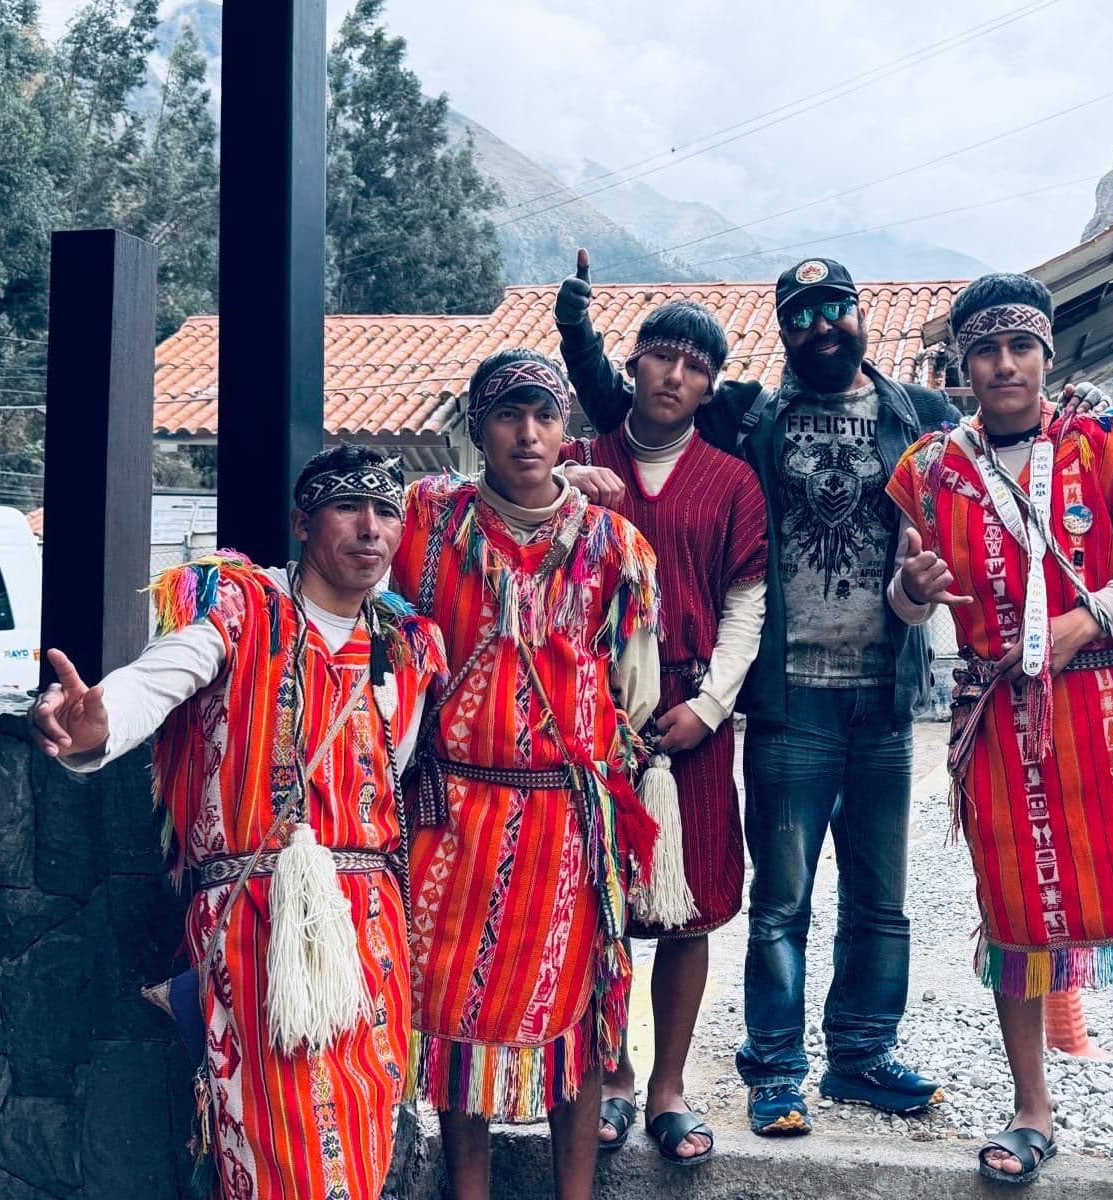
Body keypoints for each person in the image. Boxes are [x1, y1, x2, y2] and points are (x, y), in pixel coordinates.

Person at [558, 250, 955, 1134]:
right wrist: (577, 327)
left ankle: (860, 1055)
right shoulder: (749, 416)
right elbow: (631, 404)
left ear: (859, 315)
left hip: (882, 695)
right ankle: (774, 1070)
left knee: (880, 896)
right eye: (802, 316)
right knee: (780, 902)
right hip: (786, 699)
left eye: (835, 309)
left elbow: (1007, 438)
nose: (822, 327)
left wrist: (1088, 406)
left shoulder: (916, 413)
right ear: (782, 337)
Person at [28, 446, 445, 1200]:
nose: (371, 528)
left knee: (365, 1134)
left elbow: (392, 772)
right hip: (257, 922)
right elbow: (158, 680)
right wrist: (96, 726)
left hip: (369, 930)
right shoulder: (240, 610)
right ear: (302, 522)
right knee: (273, 1142)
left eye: (387, 512)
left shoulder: (407, 649)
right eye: (349, 507)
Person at [884, 273, 1113, 1196]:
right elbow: (901, 603)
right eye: (986, 350)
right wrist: (915, 592)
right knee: (1015, 916)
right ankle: (1031, 1111)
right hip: (995, 716)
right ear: (963, 363)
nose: (1005, 364)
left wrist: (1088, 618)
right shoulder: (929, 470)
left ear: (1048, 356)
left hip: (1105, 711)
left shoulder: (1107, 445)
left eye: (1021, 347)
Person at [391, 348, 661, 1200]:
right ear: (477, 427)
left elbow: (634, 689)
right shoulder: (427, 523)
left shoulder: (615, 544)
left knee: (575, 1021)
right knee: (453, 1013)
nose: (528, 433)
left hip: (564, 819)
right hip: (451, 808)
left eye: (545, 415)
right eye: (509, 414)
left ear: (568, 429)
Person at [555, 298, 769, 1165]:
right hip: (588, 722)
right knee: (596, 912)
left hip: (693, 723)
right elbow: (508, 511)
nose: (674, 376)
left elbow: (746, 604)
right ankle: (609, 1075)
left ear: (710, 383)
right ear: (633, 364)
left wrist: (711, 706)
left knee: (691, 912)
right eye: (661, 357)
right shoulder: (579, 461)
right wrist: (566, 484)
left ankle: (667, 1089)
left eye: (694, 365)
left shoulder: (731, 480)